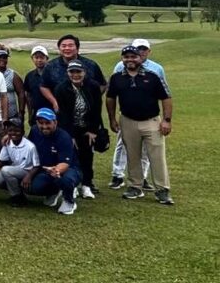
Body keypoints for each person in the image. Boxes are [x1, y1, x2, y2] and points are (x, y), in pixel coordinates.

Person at [107, 45, 174, 205]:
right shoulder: (116, 78)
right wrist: (112, 119)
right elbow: (110, 98)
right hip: (128, 121)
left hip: (151, 121)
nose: (130, 60)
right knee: (132, 155)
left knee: (157, 156)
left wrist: (166, 120)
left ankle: (162, 190)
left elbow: (166, 98)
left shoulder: (152, 76)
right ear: (122, 59)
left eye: (133, 57)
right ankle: (135, 186)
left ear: (140, 58)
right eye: (126, 57)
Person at [54, 60, 104, 199]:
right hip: (69, 128)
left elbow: (97, 109)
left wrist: (93, 130)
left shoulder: (93, 86)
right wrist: (69, 135)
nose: (75, 75)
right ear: (68, 73)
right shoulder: (61, 88)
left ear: (84, 72)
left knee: (87, 156)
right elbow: (63, 114)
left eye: (78, 72)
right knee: (71, 157)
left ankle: (86, 185)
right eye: (72, 72)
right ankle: (73, 185)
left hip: (87, 128)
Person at [24, 108, 81, 215]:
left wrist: (56, 170)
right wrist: (10, 137)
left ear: (55, 122)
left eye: (47, 123)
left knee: (66, 179)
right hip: (46, 169)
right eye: (41, 123)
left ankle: (69, 201)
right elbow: (27, 145)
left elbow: (65, 163)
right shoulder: (35, 131)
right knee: (35, 187)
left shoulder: (64, 137)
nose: (44, 126)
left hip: (68, 169)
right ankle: (54, 192)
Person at [0, 118, 39, 207]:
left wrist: (28, 176)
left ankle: (16, 197)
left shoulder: (30, 146)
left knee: (5, 170)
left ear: (23, 132)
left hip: (27, 171)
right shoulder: (8, 143)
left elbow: (36, 166)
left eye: (17, 131)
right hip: (14, 170)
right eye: (10, 130)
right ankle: (20, 194)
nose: (13, 133)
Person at [43, 34, 106, 99]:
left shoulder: (91, 65)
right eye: (64, 46)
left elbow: (102, 85)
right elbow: (44, 86)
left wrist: (92, 99)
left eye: (70, 46)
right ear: (59, 49)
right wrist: (54, 102)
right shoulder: (50, 66)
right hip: (59, 104)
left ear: (77, 48)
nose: (67, 48)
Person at [0, 46, 25, 124]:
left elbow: (21, 94)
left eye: (5, 57)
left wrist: (21, 113)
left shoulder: (13, 75)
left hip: (12, 116)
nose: (3, 60)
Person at [24, 46, 53, 123]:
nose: (39, 60)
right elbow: (28, 96)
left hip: (52, 112)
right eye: (36, 57)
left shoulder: (53, 74)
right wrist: (30, 113)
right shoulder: (29, 76)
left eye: (42, 57)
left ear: (47, 58)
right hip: (36, 113)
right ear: (32, 59)